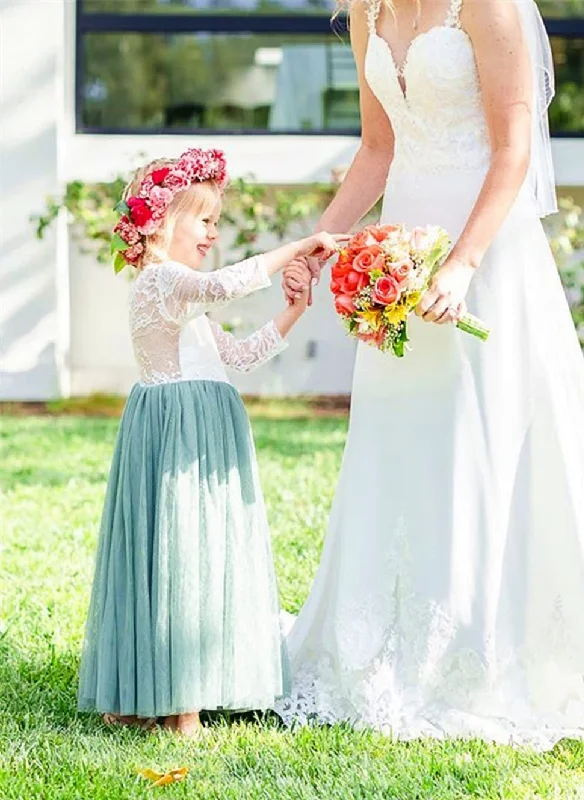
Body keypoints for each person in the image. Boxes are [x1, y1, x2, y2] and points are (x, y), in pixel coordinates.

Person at [278, 0, 584, 749]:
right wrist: (323, 240)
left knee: (478, 441)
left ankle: (485, 651)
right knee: (404, 442)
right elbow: (377, 148)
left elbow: (512, 150)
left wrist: (461, 264)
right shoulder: (365, 10)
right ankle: (385, 636)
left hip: (483, 249)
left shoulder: (484, 6)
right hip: (399, 248)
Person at [77, 147, 340, 737]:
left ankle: (162, 693)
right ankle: (178, 703)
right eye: (204, 219)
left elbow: (240, 356)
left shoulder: (180, 298)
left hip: (204, 430)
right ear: (164, 222)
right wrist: (297, 247)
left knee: (199, 553)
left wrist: (293, 311)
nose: (212, 231)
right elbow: (225, 284)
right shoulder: (161, 281)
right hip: (178, 435)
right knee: (179, 554)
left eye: (215, 221)